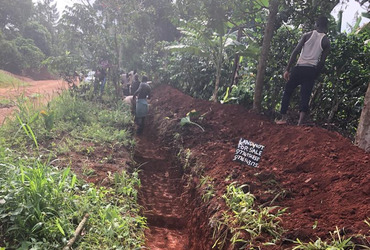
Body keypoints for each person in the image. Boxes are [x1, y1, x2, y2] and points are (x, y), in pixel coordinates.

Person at [276, 16, 331, 125]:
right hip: (310, 70)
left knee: (288, 91)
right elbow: (322, 62)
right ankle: (300, 123)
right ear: (326, 27)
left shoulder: (307, 35)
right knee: (305, 96)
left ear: (316, 24)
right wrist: (315, 75)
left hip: (299, 67)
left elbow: (295, 52)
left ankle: (283, 118)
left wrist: (287, 69)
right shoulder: (326, 41)